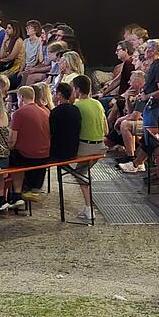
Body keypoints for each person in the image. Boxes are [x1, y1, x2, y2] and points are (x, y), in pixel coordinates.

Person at [120, 39, 159, 175]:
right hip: (150, 107)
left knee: (153, 139)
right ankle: (138, 164)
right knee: (148, 139)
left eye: (147, 49)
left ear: (152, 51)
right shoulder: (153, 66)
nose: (144, 51)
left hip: (156, 108)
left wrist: (147, 96)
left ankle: (139, 165)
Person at [71, 75, 107, 221]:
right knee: (82, 174)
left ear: (77, 89)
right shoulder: (97, 104)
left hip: (86, 148)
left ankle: (88, 208)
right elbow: (106, 129)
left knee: (80, 175)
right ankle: (87, 208)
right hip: (100, 147)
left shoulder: (77, 106)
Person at [8, 85, 51, 206]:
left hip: (28, 156)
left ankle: (15, 194)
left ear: (21, 97)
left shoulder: (19, 113)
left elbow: (12, 141)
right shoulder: (45, 111)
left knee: (10, 159)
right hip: (45, 155)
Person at [50, 82, 82, 161]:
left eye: (55, 93)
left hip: (58, 152)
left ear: (59, 94)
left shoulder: (55, 112)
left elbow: (51, 132)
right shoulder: (76, 109)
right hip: (73, 150)